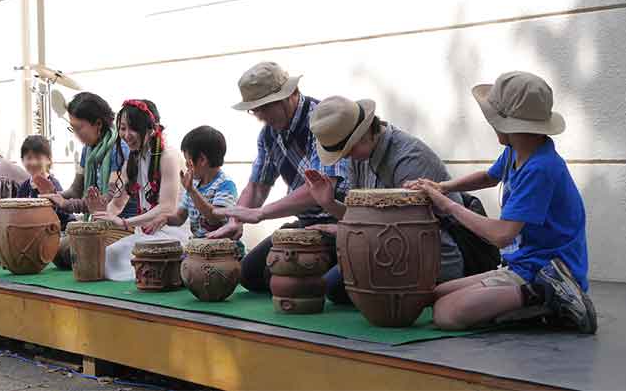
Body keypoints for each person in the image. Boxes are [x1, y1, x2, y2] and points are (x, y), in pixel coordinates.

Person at [406, 71, 596, 334]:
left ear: (508, 125)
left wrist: (445, 203)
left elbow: (501, 235)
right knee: (436, 295)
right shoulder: (517, 150)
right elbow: (488, 177)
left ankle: (545, 294)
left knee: (446, 314)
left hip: (547, 270)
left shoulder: (540, 168)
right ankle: (529, 307)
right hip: (524, 264)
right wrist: (443, 186)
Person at [288, 96, 465, 303]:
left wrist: (346, 230)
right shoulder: (361, 156)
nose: (345, 157)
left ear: (364, 133)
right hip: (386, 246)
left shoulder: (409, 159)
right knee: (331, 286)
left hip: (432, 258)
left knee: (337, 286)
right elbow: (362, 217)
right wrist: (328, 203)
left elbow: (407, 231)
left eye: (347, 150)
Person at [207, 61, 349, 293]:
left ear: (290, 94)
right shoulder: (268, 135)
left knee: (311, 283)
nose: (260, 116)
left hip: (341, 221)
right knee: (249, 274)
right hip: (305, 224)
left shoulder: (321, 120)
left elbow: (321, 189)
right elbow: (257, 186)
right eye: (255, 110)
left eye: (265, 107)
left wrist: (260, 213)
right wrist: (236, 220)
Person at [92, 99, 186, 281]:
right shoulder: (133, 160)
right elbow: (118, 203)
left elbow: (168, 207)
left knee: (115, 257)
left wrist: (126, 223)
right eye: (123, 128)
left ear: (152, 129)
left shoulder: (168, 156)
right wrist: (102, 216)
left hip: (174, 234)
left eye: (132, 128)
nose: (126, 135)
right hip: (145, 235)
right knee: (107, 255)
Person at [41, 92, 138, 220]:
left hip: (124, 224)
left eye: (79, 128)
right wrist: (54, 196)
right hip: (102, 221)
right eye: (72, 128)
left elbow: (107, 201)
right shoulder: (88, 150)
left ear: (98, 124)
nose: (75, 134)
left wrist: (66, 204)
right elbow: (76, 190)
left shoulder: (120, 149)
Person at [159, 126, 242, 253]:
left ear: (202, 160)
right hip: (198, 248)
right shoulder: (194, 184)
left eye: (188, 162)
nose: (186, 167)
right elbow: (180, 217)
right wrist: (164, 218)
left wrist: (192, 191)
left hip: (222, 251)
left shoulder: (225, 185)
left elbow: (215, 218)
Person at [16, 135, 74, 269]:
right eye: (29, 158)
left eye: (38, 158)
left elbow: (60, 212)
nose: (33, 162)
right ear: (22, 160)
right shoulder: (24, 186)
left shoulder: (53, 184)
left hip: (60, 230)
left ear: (48, 160)